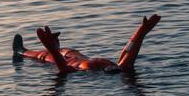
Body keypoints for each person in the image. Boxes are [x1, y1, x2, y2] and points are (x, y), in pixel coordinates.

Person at [13, 15, 160, 74]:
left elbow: (63, 68)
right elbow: (127, 53)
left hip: (70, 61)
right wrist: (140, 33)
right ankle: (54, 47)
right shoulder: (119, 67)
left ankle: (21, 51)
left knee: (45, 55)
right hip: (78, 56)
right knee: (66, 51)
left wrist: (50, 47)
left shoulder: (90, 71)